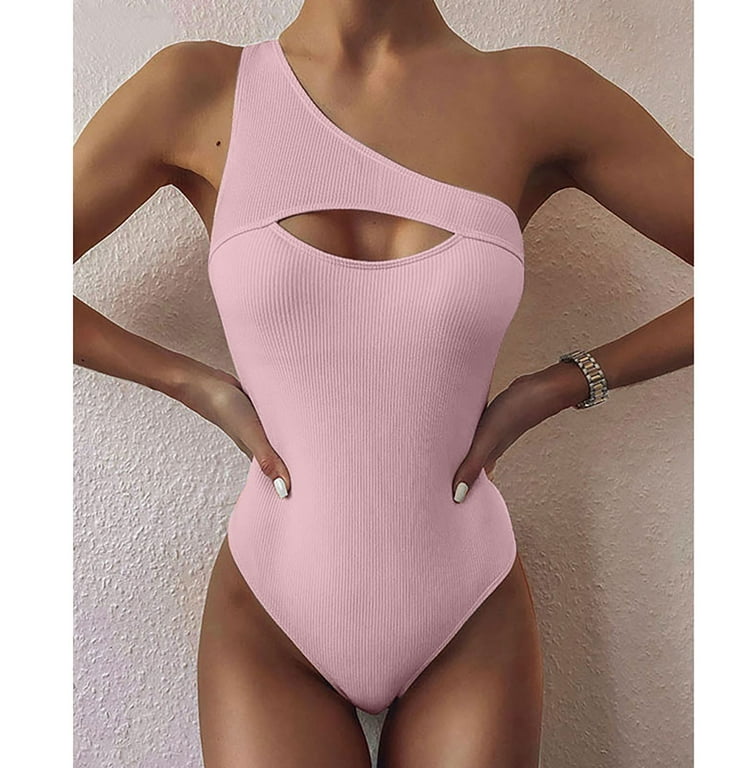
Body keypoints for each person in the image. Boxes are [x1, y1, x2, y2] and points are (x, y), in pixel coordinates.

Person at [73, 1, 693, 766]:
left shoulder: (536, 95)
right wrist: (191, 383)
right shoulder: (199, 89)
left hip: (467, 611)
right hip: (272, 612)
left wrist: (565, 383)